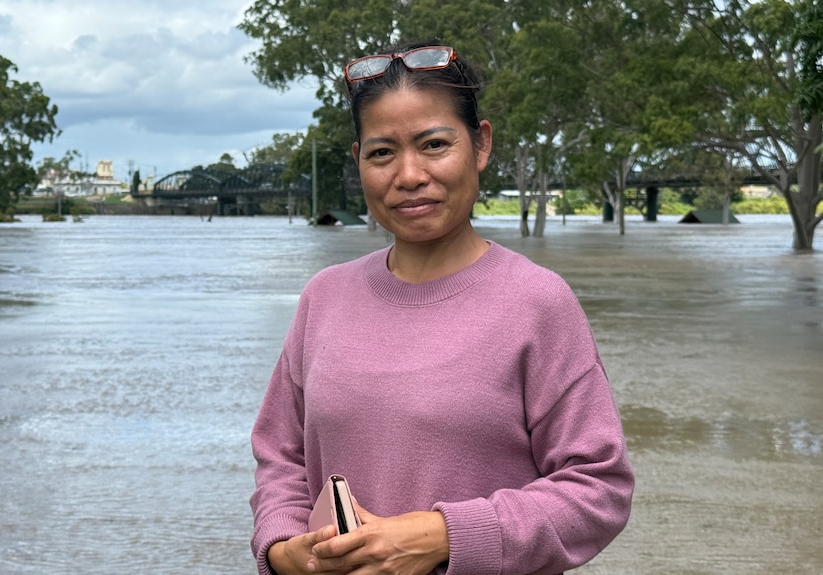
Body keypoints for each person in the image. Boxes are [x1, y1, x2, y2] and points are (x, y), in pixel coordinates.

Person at [250, 41, 634, 575]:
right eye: (382, 152)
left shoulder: (538, 303)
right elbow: (281, 458)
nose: (408, 175)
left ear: (480, 144)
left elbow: (598, 490)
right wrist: (284, 547)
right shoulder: (324, 297)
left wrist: (445, 536)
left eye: (433, 144)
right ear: (357, 161)